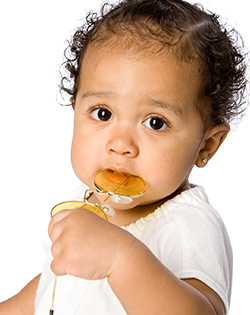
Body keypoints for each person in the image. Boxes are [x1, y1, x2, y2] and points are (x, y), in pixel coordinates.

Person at [0, 0, 247, 314]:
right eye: (103, 113)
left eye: (155, 122)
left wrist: (119, 258)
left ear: (206, 146)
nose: (120, 144)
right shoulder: (88, 203)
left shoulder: (187, 225)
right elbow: (52, 291)